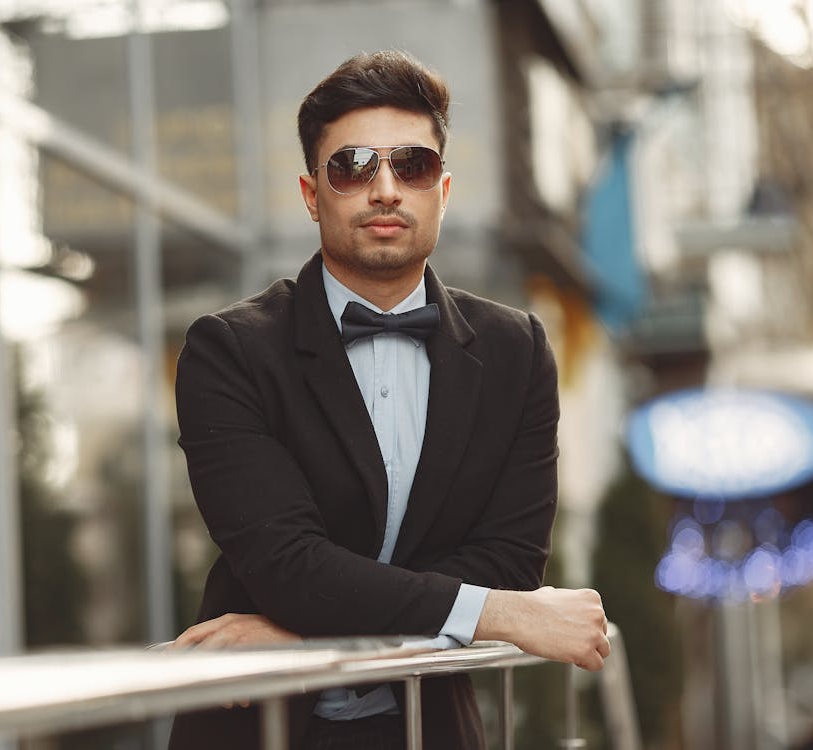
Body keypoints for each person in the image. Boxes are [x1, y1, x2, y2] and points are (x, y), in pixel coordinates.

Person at [167, 50, 609, 749]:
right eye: (352, 166)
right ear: (313, 194)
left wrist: (302, 628)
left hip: (428, 726)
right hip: (256, 728)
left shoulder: (515, 349)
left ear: (441, 187)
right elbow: (286, 563)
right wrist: (504, 615)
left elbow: (509, 559)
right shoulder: (229, 351)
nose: (384, 189)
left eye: (411, 165)